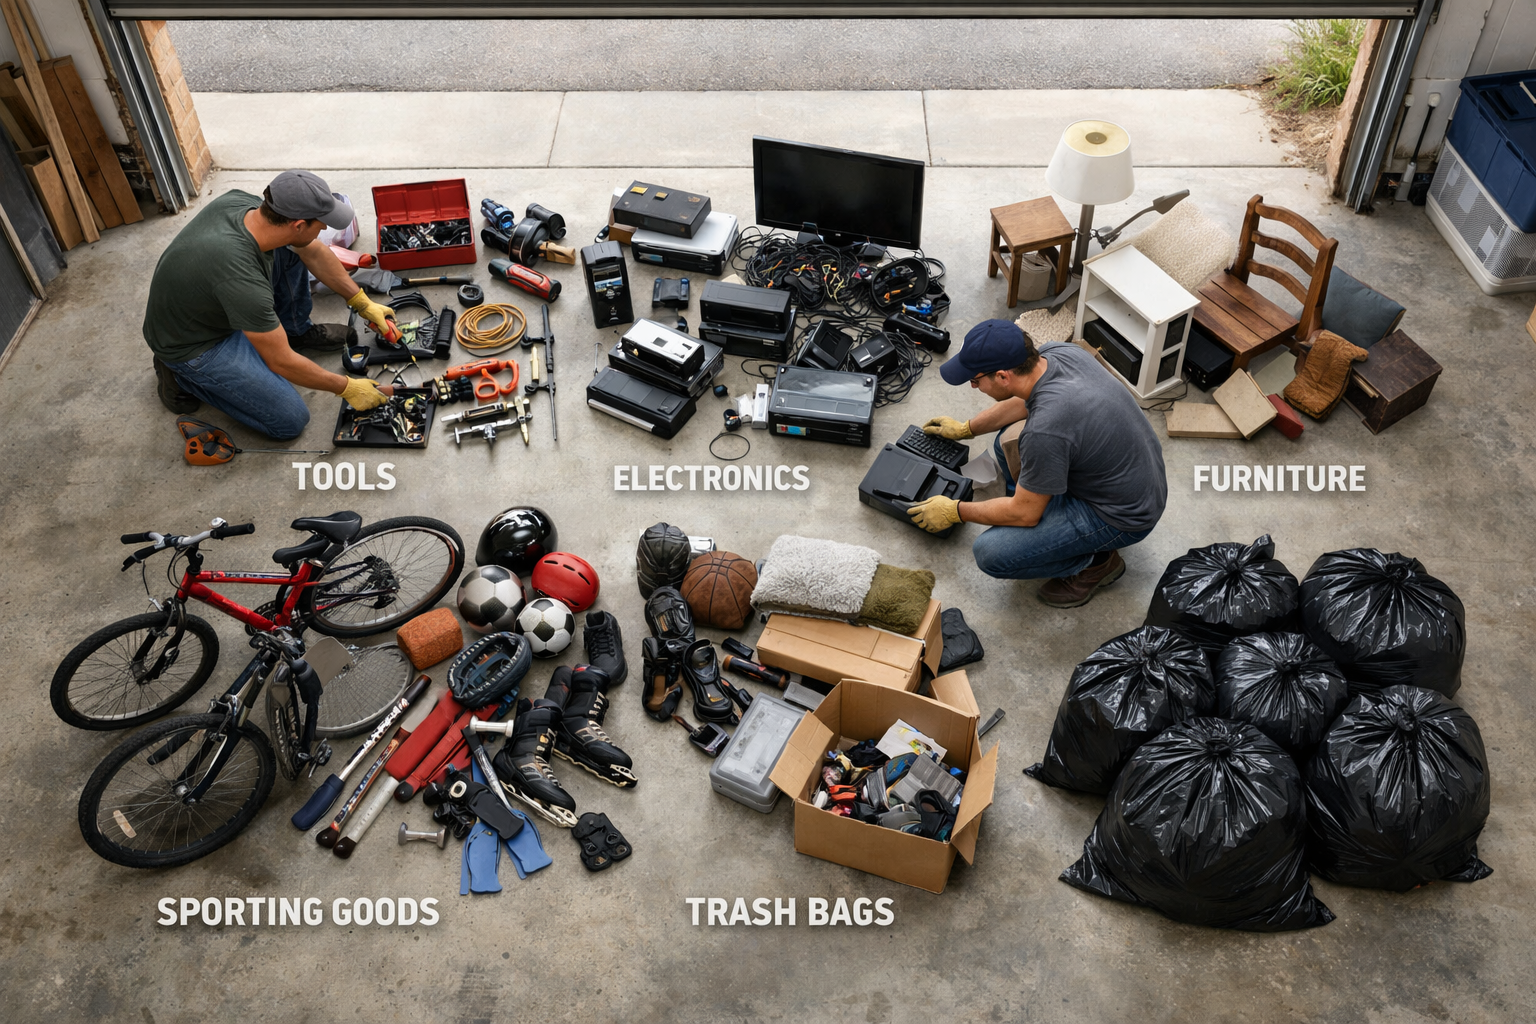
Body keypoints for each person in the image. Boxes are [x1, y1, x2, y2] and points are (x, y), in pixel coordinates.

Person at [907, 319, 1167, 608]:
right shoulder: (1059, 354)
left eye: (976, 379)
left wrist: (955, 510)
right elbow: (1024, 400)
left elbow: (1025, 514)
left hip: (1123, 516)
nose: (973, 385)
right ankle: (1040, 512)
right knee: (1006, 442)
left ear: (1003, 377)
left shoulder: (1046, 430)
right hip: (1133, 476)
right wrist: (967, 428)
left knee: (991, 553)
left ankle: (1097, 562)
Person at [143, 169, 403, 440]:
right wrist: (347, 387)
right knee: (289, 419)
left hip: (214, 302)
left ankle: (293, 331)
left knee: (293, 251)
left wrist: (361, 302)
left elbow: (312, 250)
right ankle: (180, 375)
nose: (325, 228)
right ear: (299, 224)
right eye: (321, 223)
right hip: (194, 344)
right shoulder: (242, 280)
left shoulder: (246, 207)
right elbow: (280, 362)